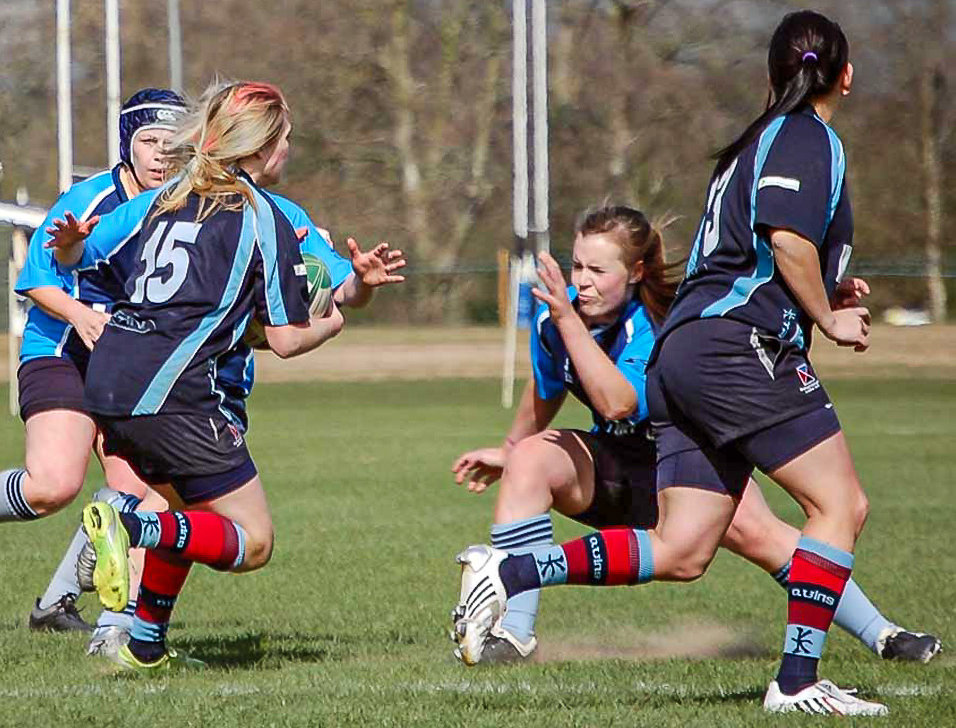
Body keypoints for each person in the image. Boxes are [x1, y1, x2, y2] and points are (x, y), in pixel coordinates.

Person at [454, 11, 897, 716]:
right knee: (840, 504)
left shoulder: (752, 142)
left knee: (683, 549)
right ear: (845, 74)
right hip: (738, 349)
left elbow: (753, 256)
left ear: (770, 73)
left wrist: (822, 289)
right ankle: (796, 682)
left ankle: (511, 568)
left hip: (686, 352)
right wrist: (827, 316)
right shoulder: (806, 136)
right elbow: (786, 242)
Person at [451, 206, 940, 668]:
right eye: (577, 265)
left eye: (598, 270)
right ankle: (513, 635)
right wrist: (511, 450)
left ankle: (883, 634)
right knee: (530, 461)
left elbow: (618, 402)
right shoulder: (553, 323)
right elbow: (547, 384)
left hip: (684, 458)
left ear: (638, 272)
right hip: (613, 467)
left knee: (765, 536)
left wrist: (564, 320)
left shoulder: (658, 326)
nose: (581, 280)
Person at [48, 80, 344, 672]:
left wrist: (75, 244)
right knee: (252, 541)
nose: (288, 149)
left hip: (109, 378)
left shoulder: (169, 194)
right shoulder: (263, 217)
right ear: (262, 148)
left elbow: (74, 257)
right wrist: (331, 322)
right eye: (285, 138)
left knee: (186, 509)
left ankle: (144, 644)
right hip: (172, 395)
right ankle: (130, 521)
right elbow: (285, 338)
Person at [0, 90, 185, 633]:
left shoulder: (184, 210)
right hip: (63, 352)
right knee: (53, 485)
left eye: (172, 145)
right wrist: (81, 315)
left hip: (130, 366)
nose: (160, 155)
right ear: (128, 145)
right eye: (149, 142)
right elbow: (34, 280)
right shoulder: (89, 200)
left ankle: (81, 616)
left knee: (143, 494)